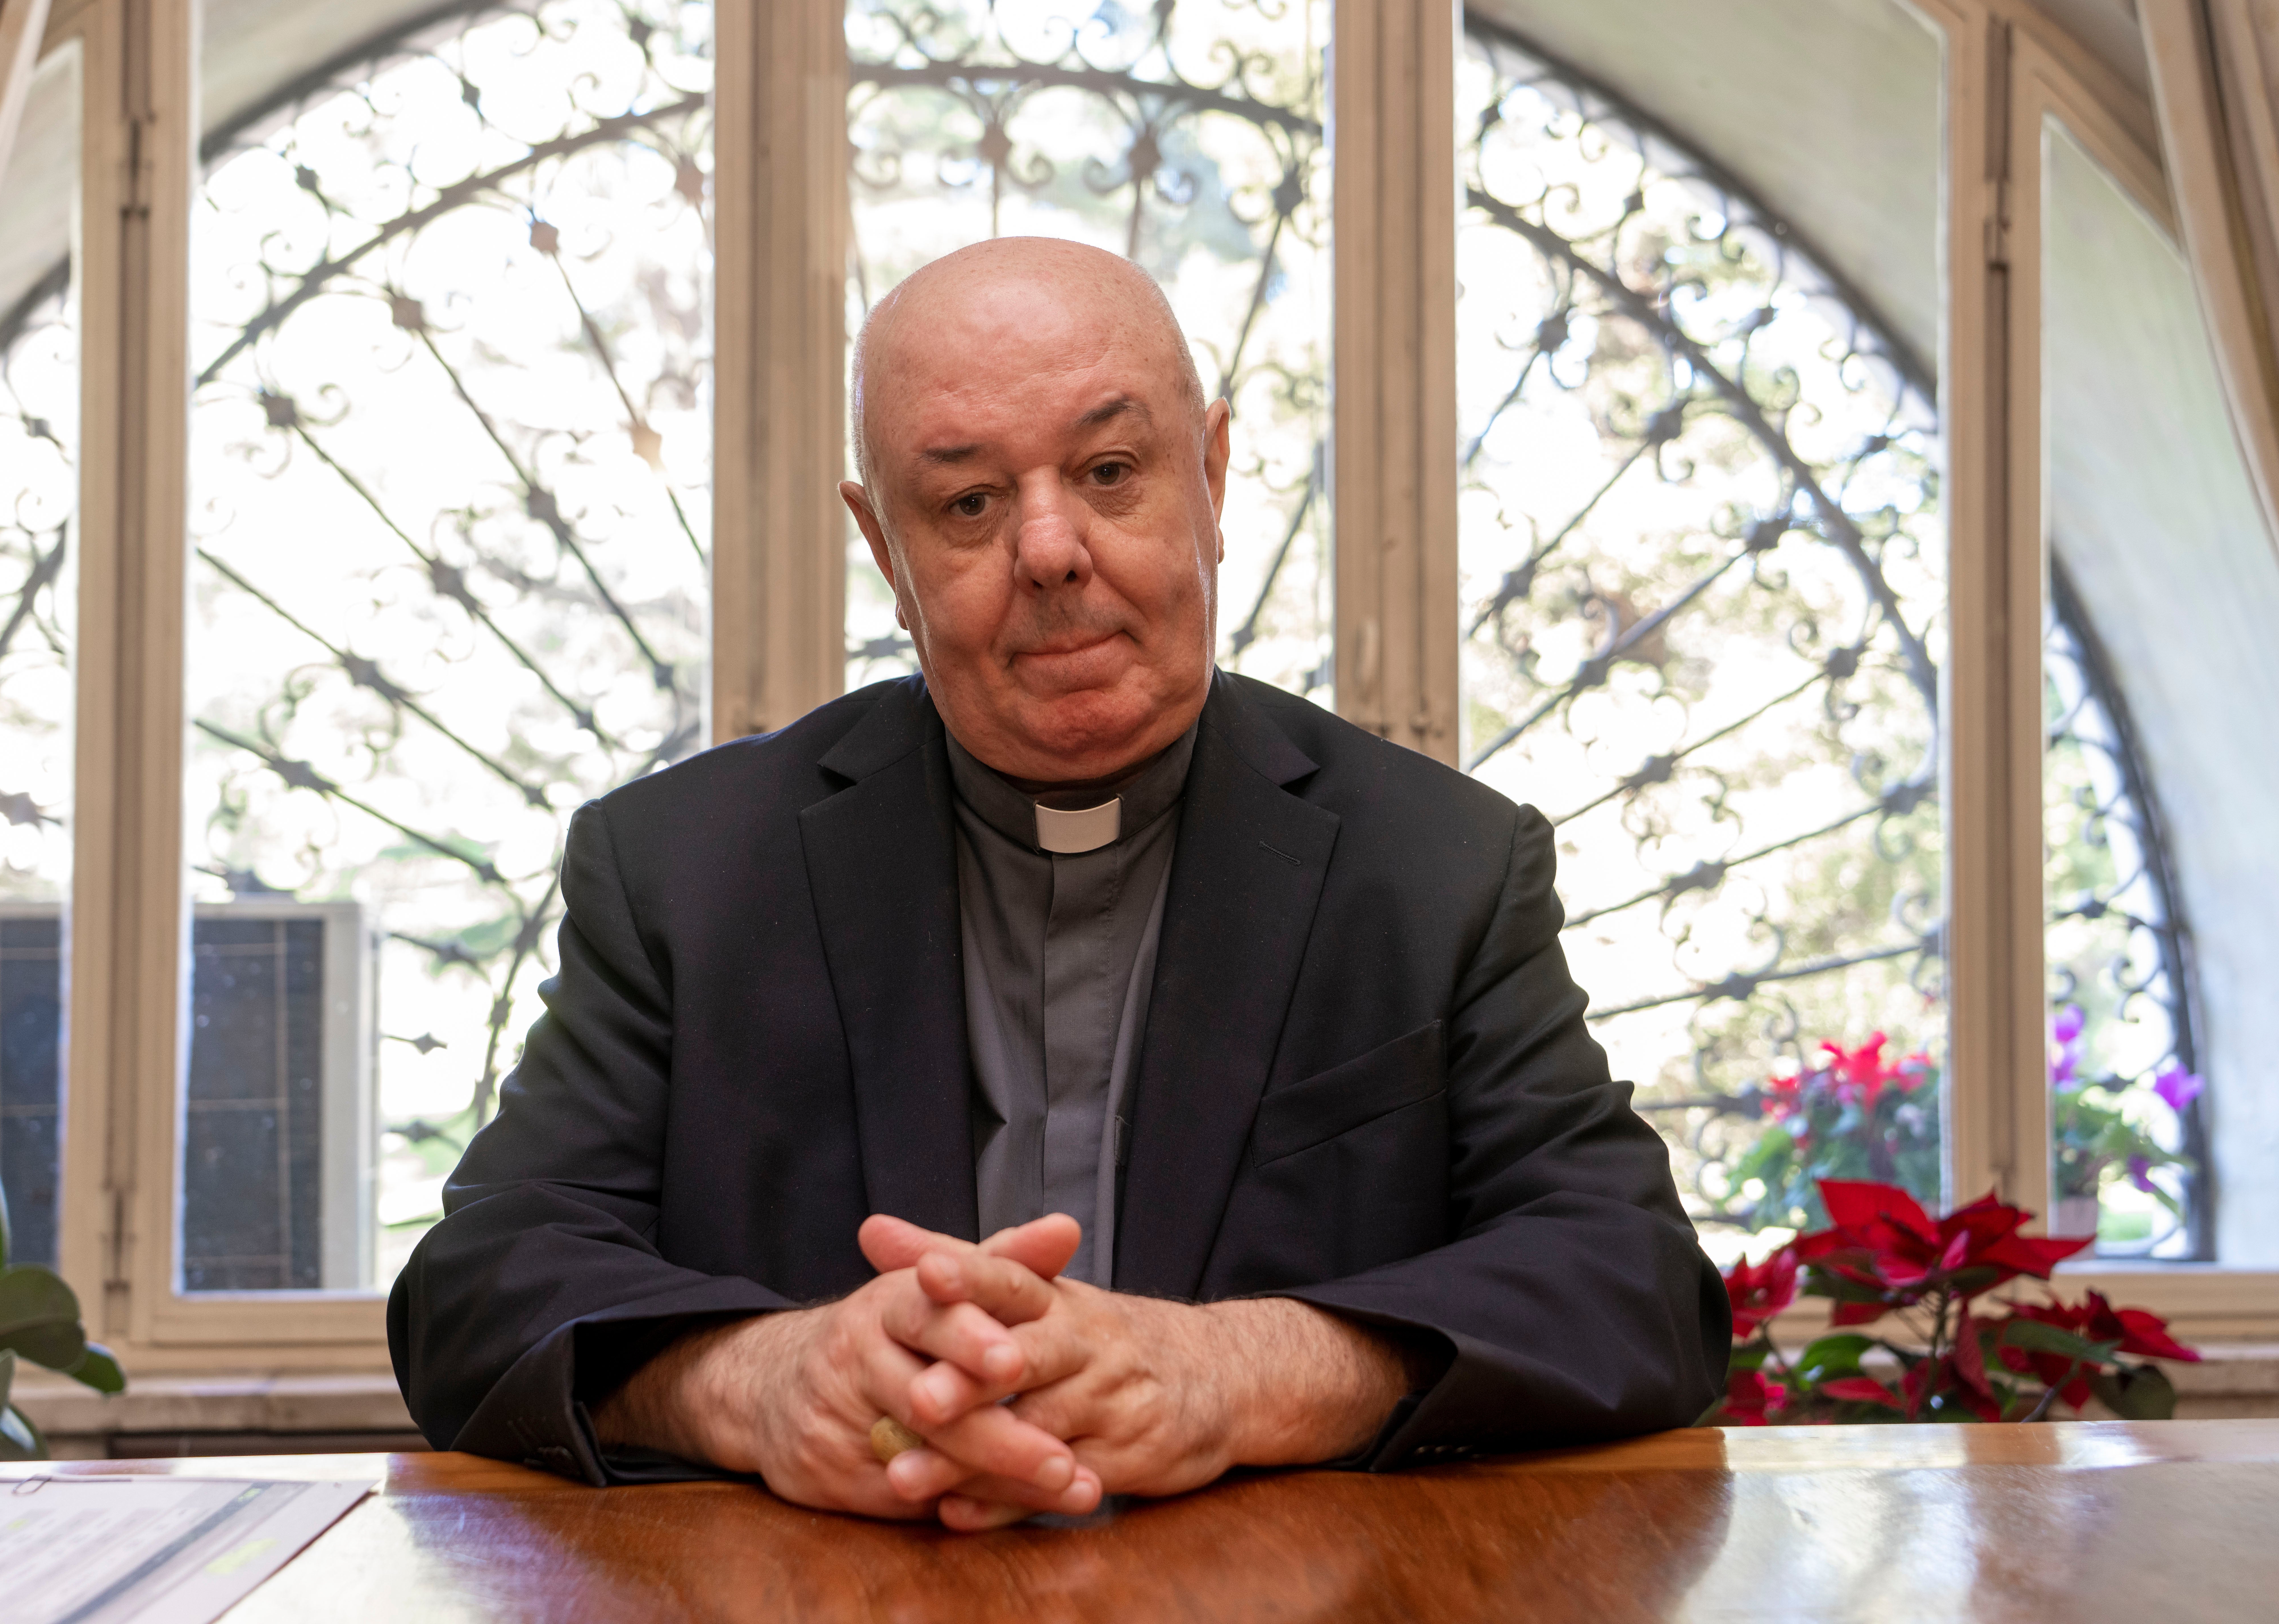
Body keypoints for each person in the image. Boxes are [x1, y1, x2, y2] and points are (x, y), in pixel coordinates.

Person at [388, 237, 1725, 1530]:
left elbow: (1634, 1284)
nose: (1048, 550)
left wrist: (1237, 1376)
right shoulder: (683, 871)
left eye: (1109, 469)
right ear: (885, 548)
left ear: (1209, 472)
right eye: (967, 501)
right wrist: (760, 1382)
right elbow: (479, 1286)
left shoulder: (1437, 867)